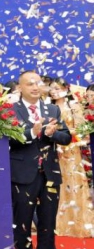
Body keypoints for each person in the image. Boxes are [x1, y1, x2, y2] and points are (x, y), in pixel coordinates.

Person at [10, 70, 72, 249]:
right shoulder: (11, 110)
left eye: (38, 83)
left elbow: (66, 137)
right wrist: (32, 132)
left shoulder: (52, 109)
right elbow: (8, 139)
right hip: (22, 173)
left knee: (48, 219)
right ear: (20, 88)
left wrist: (50, 133)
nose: (35, 87)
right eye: (30, 84)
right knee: (23, 220)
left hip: (49, 172)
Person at [50, 77, 94, 238]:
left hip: (71, 151)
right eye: (51, 88)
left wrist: (68, 139)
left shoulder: (74, 106)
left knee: (75, 183)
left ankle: (79, 223)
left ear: (65, 89)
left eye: (57, 88)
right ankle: (58, 223)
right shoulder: (48, 107)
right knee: (57, 184)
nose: (53, 91)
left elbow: (83, 131)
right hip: (53, 150)